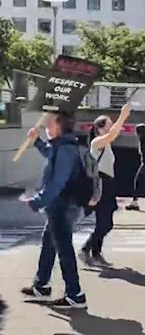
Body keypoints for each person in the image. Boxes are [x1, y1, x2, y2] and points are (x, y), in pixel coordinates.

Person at [21, 112, 87, 309]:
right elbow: (50, 153)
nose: (47, 126)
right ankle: (41, 285)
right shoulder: (61, 146)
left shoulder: (66, 149)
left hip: (63, 205)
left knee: (64, 248)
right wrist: (37, 141)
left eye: (50, 123)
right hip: (59, 205)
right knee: (49, 243)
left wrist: (37, 202)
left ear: (59, 127)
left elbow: (58, 182)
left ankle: (75, 294)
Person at [79, 103, 131, 267]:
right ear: (100, 128)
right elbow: (113, 133)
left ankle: (95, 253)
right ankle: (86, 250)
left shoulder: (105, 144)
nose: (112, 127)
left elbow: (113, 133)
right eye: (109, 124)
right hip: (100, 184)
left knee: (104, 222)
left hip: (107, 184)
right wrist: (123, 115)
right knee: (105, 223)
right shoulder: (96, 143)